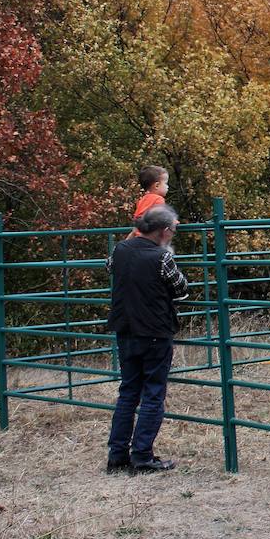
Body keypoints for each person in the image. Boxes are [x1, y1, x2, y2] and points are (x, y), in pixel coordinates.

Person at [106, 205, 188, 474]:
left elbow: (110, 267)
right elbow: (180, 288)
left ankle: (117, 455)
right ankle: (142, 456)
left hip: (125, 329)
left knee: (128, 391)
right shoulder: (161, 258)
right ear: (164, 231)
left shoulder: (120, 249)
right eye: (173, 230)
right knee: (153, 393)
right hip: (154, 330)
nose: (173, 233)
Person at [127, 166, 169, 240]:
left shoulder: (143, 199)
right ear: (157, 185)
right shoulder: (158, 199)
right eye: (166, 183)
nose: (167, 187)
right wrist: (173, 221)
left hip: (139, 236)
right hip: (149, 237)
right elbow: (161, 217)